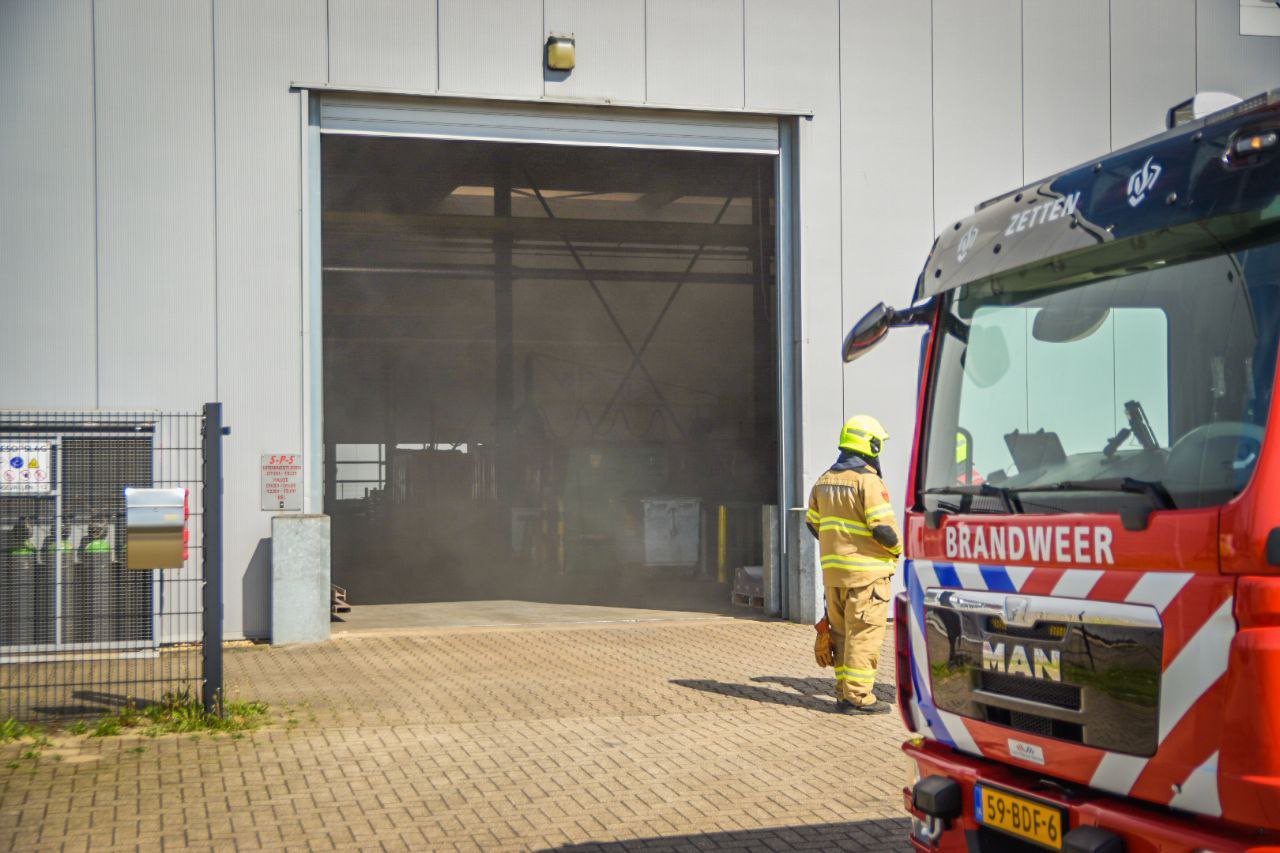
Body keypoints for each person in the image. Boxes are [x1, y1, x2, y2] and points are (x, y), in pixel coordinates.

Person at [807, 415, 901, 714]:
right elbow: (883, 530)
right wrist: (899, 549)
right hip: (867, 577)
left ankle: (843, 692)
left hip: (834, 576)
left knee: (840, 634)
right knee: (863, 635)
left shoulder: (824, 480)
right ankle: (859, 697)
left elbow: (812, 523)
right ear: (871, 445)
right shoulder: (868, 482)